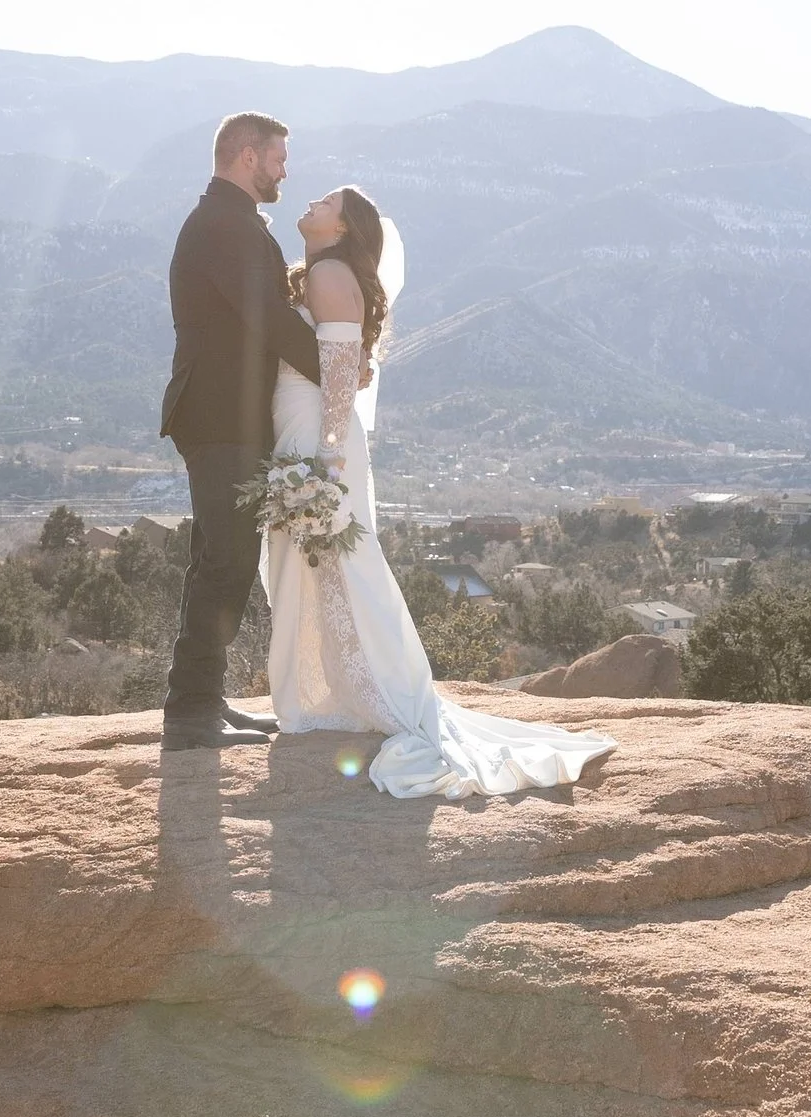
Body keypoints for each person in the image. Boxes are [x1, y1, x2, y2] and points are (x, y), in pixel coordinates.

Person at [263, 183, 614, 803]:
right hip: (305, 432)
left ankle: (364, 697)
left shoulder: (331, 275)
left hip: (320, 442)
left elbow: (343, 372)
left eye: (325, 203)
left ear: (341, 229)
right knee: (318, 568)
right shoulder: (325, 273)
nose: (311, 204)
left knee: (341, 567)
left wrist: (325, 460)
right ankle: (336, 696)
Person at [158, 111, 325, 749]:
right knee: (226, 561)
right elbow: (268, 318)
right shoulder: (223, 226)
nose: (285, 169)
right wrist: (336, 370)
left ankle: (201, 700)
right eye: (279, 157)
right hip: (218, 414)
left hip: (229, 414)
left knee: (220, 559)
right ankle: (191, 714)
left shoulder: (228, 221)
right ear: (248, 156)